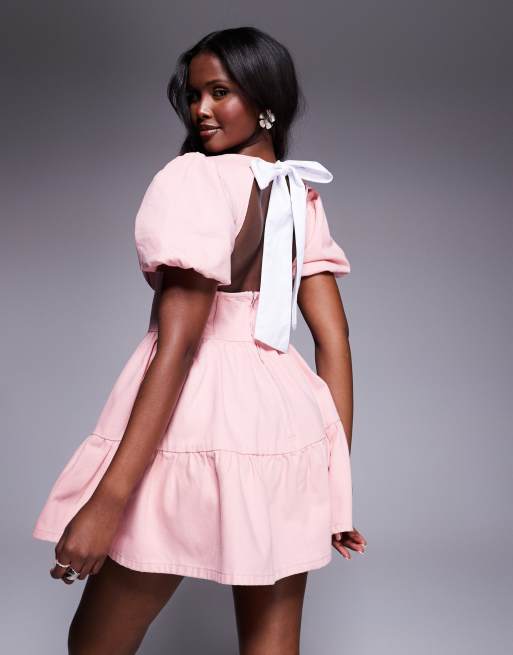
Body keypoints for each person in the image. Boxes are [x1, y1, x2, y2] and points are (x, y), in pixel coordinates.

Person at [32, 26, 367, 655]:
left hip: (193, 415)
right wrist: (332, 484)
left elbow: (182, 345)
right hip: (284, 426)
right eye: (193, 95)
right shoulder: (297, 193)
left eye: (220, 92)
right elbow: (334, 339)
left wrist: (106, 505)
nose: (201, 110)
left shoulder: (193, 180)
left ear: (266, 101)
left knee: (94, 644)